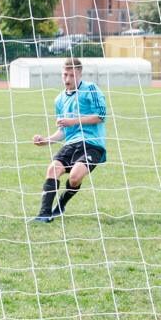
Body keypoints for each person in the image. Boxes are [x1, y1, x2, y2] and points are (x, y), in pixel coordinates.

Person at [31, 57, 107, 223]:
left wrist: (74, 121)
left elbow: (101, 116)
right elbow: (63, 131)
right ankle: (44, 214)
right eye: (65, 75)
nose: (67, 79)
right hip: (71, 144)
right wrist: (45, 140)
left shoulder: (91, 89)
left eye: (71, 75)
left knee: (74, 177)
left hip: (92, 144)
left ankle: (62, 203)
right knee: (53, 169)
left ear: (79, 74)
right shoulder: (59, 100)